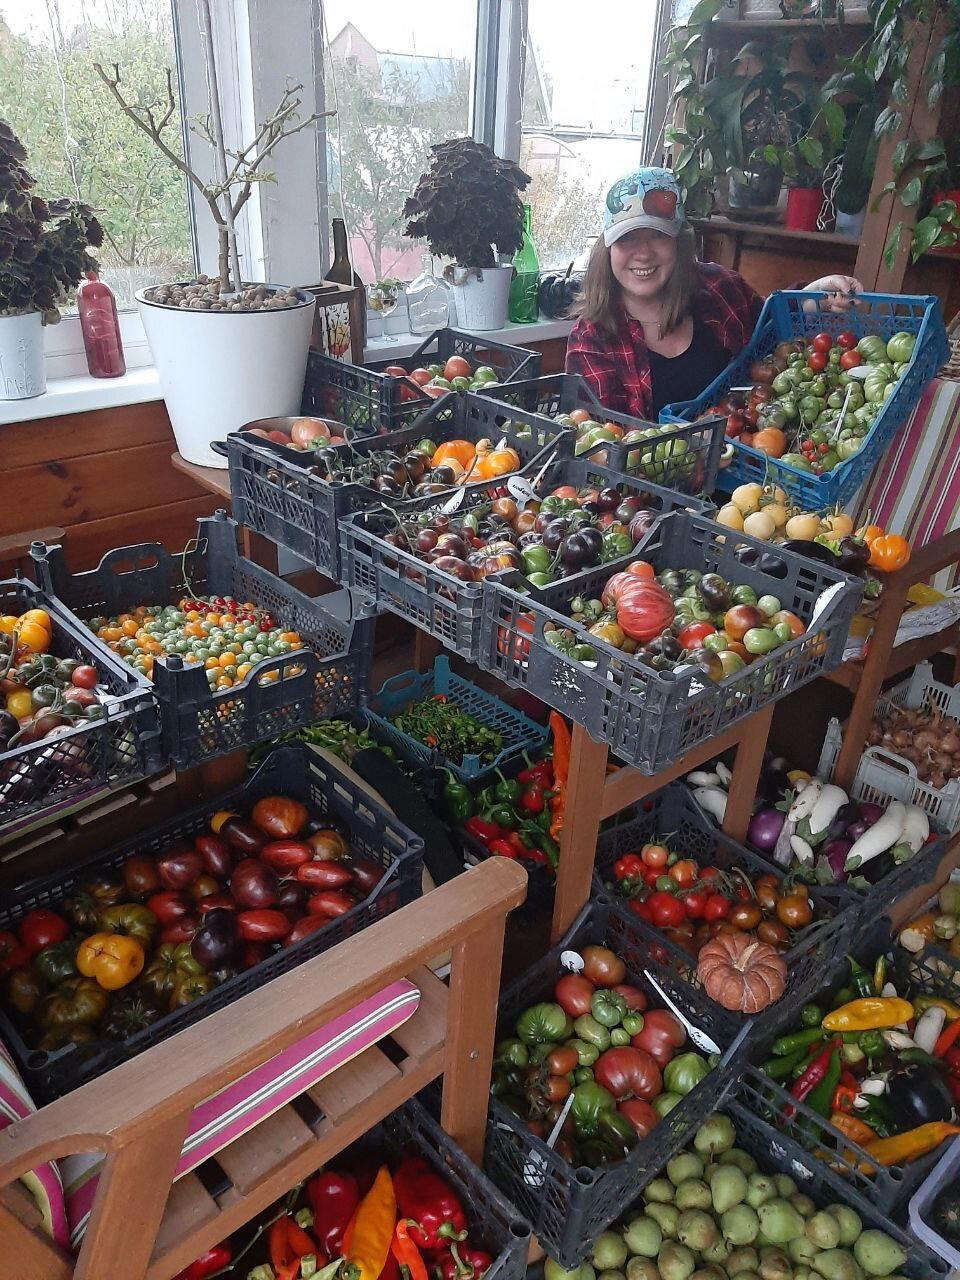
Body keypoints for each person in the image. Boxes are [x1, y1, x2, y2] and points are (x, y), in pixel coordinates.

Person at [565, 167, 862, 421]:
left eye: (658, 235)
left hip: (753, 472)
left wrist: (815, 296)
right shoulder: (593, 337)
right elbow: (604, 443)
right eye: (627, 239)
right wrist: (689, 454)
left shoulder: (721, 288)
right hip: (653, 484)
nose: (643, 254)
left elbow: (771, 331)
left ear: (679, 242)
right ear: (608, 249)